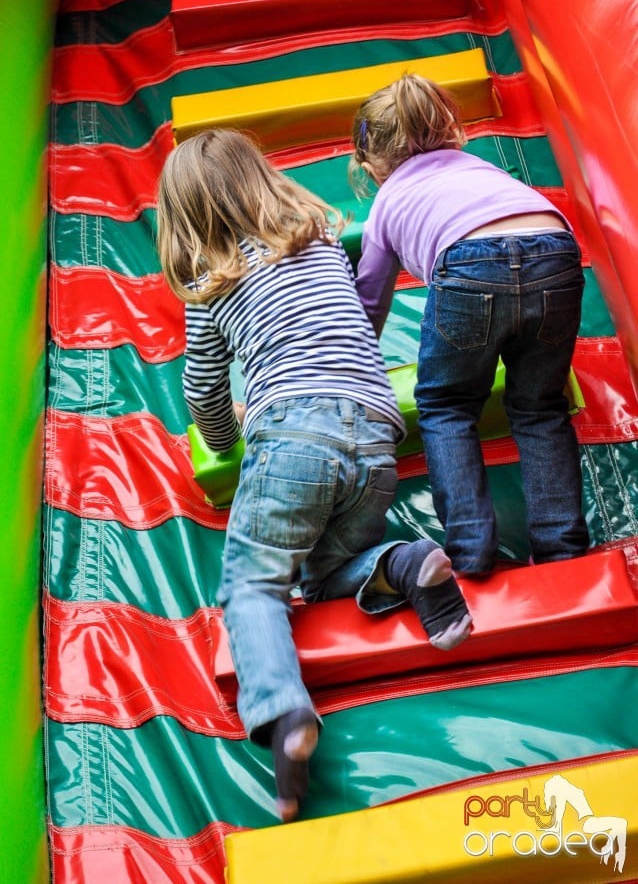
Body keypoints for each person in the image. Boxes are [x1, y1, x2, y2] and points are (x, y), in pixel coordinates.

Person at [156, 128, 472, 823]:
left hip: (293, 436)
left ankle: (284, 710)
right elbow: (347, 325)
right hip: (376, 434)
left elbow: (205, 392)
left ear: (185, 218)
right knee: (322, 575)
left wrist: (225, 438)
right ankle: (406, 562)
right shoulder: (320, 242)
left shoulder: (211, 283)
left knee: (253, 583)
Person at [350, 74, 589, 575]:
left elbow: (370, 304)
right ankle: (563, 549)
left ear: (371, 166)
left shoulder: (387, 202)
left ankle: (472, 550)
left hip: (468, 263)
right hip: (556, 250)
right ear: (449, 131)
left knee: (447, 405)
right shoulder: (479, 168)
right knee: (541, 407)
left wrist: (350, 370)